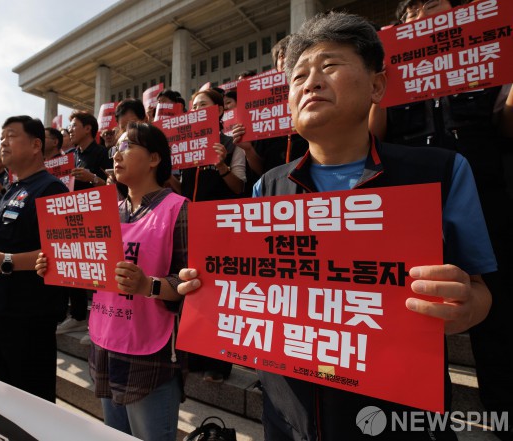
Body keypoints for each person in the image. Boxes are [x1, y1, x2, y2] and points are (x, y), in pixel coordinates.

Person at [178, 12, 495, 441]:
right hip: (289, 416)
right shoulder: (266, 188)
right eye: (299, 77)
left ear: (377, 86)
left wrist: (462, 307)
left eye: (329, 66)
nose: (310, 82)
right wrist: (207, 289)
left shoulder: (439, 172)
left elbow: (478, 291)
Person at [370, 1, 513, 432]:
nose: (434, 18)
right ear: (406, 21)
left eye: (444, 10)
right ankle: (426, 413)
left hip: (486, 199)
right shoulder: (392, 67)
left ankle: (501, 409)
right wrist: (384, 81)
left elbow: (505, 124)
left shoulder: (485, 54)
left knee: (498, 310)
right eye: (424, 10)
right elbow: (374, 135)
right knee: (420, 310)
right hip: (415, 206)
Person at [36, 122, 188, 440]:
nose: (116, 155)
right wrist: (58, 264)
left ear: (154, 158)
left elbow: (190, 285)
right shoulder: (107, 213)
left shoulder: (178, 208)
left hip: (151, 354)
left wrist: (150, 286)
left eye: (127, 146)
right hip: (105, 343)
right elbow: (92, 276)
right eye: (113, 149)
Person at [0, 115, 68, 402]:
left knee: (31, 400)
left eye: (11, 136)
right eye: (1, 138)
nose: (3, 143)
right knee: (5, 399)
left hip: (26, 316)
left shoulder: (51, 189)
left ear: (36, 144)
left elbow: (63, 252)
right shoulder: (11, 189)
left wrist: (6, 261)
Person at [233, 35, 309, 197]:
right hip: (273, 197)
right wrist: (248, 150)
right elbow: (261, 169)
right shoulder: (261, 112)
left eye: (293, 52)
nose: (286, 58)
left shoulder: (313, 97)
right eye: (281, 55)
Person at [59, 111, 111, 336]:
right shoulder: (70, 156)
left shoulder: (102, 153)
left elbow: (113, 187)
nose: (70, 130)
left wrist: (91, 178)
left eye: (74, 125)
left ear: (88, 128)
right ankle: (79, 315)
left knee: (97, 271)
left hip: (96, 218)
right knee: (74, 267)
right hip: (72, 217)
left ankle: (99, 321)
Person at [180, 89, 246, 202]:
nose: (197, 110)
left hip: (218, 214)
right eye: (194, 107)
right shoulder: (185, 146)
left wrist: (222, 167)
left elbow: (239, 188)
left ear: (219, 110)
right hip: (189, 214)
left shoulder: (234, 144)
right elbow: (182, 190)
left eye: (203, 105)